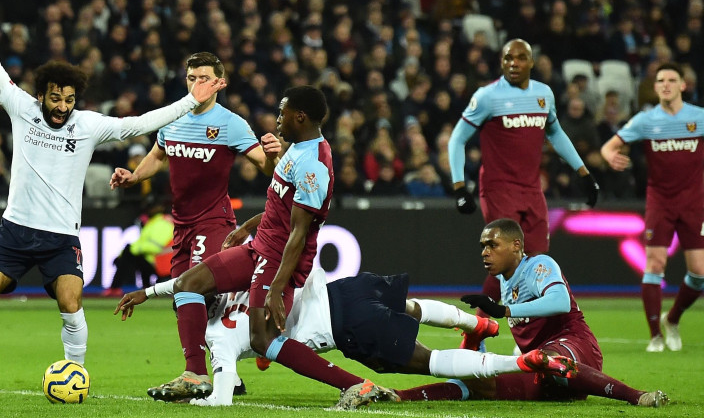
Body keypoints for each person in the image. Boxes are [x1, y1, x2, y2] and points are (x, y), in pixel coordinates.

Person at [0, 0, 227, 398]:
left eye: (69, 99)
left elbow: (137, 124)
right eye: (55, 98)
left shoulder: (87, 125)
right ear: (42, 95)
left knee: (71, 304)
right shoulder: (22, 110)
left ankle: (76, 376)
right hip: (15, 228)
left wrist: (189, 101)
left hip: (60, 236)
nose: (62, 106)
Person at [118, 86, 388, 410]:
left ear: (299, 116)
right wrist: (247, 227)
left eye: (282, 112)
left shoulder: (315, 165)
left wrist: (276, 287)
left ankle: (357, 385)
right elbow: (280, 208)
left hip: (276, 259)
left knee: (264, 340)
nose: (277, 119)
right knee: (189, 285)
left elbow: (298, 234)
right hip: (259, 247)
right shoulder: (298, 150)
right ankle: (195, 374)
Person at [115, 266, 577, 407]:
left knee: (428, 362)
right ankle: (473, 322)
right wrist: (147, 291)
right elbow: (187, 283)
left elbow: (221, 397)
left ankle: (520, 362)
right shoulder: (249, 275)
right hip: (348, 289)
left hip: (349, 330)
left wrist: (198, 398)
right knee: (410, 307)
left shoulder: (220, 334)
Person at [108, 51, 282, 395]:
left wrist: (274, 153)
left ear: (220, 82)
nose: (196, 85)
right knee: (187, 300)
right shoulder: (174, 117)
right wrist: (133, 176)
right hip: (182, 225)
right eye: (191, 79)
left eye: (203, 78)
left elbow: (264, 166)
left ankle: (196, 372)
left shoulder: (230, 123)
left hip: (214, 221)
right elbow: (158, 154)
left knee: (193, 291)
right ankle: (228, 373)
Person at [447, 39, 600, 348]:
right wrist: (459, 186)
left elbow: (555, 132)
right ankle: (475, 335)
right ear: (501, 63)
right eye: (507, 58)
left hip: (532, 190)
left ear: (532, 62)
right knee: (503, 261)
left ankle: (528, 337)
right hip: (499, 187)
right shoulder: (488, 97)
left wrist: (583, 172)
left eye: (520, 58)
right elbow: (457, 139)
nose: (513, 63)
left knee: (538, 262)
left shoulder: (544, 95)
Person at [420, 218, 666, 407]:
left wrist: (505, 310)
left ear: (516, 245)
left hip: (576, 347)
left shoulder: (539, 265)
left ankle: (637, 396)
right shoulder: (503, 281)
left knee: (547, 359)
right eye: (483, 246)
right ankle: (397, 396)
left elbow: (560, 302)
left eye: (492, 245)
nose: (485, 252)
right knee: (477, 385)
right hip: (538, 368)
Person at [601, 62, 704, 353]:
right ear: (655, 86)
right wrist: (611, 156)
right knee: (655, 265)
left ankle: (674, 320)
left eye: (672, 79)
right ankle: (656, 335)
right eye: (661, 80)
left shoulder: (699, 118)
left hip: (694, 203)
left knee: (699, 273)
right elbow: (609, 146)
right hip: (660, 202)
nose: (666, 84)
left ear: (684, 85)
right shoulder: (646, 121)